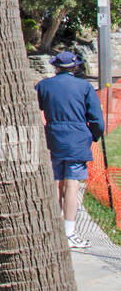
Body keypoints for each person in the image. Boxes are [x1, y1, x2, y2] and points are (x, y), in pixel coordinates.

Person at [36, 51, 105, 250]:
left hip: (54, 138)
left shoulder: (44, 86)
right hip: (77, 139)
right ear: (74, 67)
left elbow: (34, 108)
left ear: (56, 67)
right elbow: (96, 118)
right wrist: (94, 134)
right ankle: (69, 232)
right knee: (72, 184)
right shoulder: (84, 87)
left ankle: (53, 229)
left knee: (56, 181)